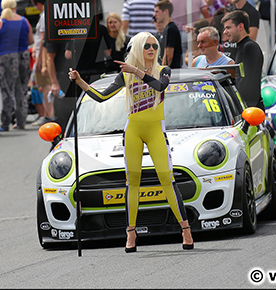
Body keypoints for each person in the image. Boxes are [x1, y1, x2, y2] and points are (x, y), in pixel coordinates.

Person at [68, 32, 194, 253]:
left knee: (166, 178)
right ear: (137, 48)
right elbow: (101, 97)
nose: (152, 49)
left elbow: (159, 86)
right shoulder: (125, 74)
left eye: (155, 45)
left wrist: (136, 71)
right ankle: (131, 233)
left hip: (156, 130)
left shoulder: (163, 70)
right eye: (146, 46)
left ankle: (185, 230)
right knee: (132, 182)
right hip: (133, 131)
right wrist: (79, 81)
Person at [0, 0, 33, 131]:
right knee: (21, 90)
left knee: (7, 90)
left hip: (6, 57)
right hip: (23, 56)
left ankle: (5, 123)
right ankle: (21, 121)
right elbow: (30, 40)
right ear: (15, 6)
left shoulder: (0, 23)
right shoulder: (25, 21)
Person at [222, 10, 264, 109]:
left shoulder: (249, 47)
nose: (225, 32)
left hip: (251, 109)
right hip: (247, 106)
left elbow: (247, 81)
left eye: (228, 28)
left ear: (240, 27)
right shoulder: (243, 46)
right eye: (224, 28)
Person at [153, 0, 183, 69]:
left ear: (166, 11)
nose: (155, 15)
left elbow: (168, 56)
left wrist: (162, 72)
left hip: (172, 73)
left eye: (157, 12)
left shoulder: (170, 29)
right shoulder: (167, 29)